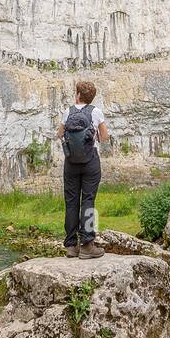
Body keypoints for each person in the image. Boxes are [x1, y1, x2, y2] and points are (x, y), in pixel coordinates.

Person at [57, 80, 108, 259]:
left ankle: (71, 246)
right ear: (91, 97)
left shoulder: (67, 112)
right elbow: (104, 136)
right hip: (91, 161)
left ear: (78, 95)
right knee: (88, 201)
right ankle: (87, 246)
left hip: (70, 162)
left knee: (71, 202)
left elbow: (59, 134)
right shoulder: (96, 112)